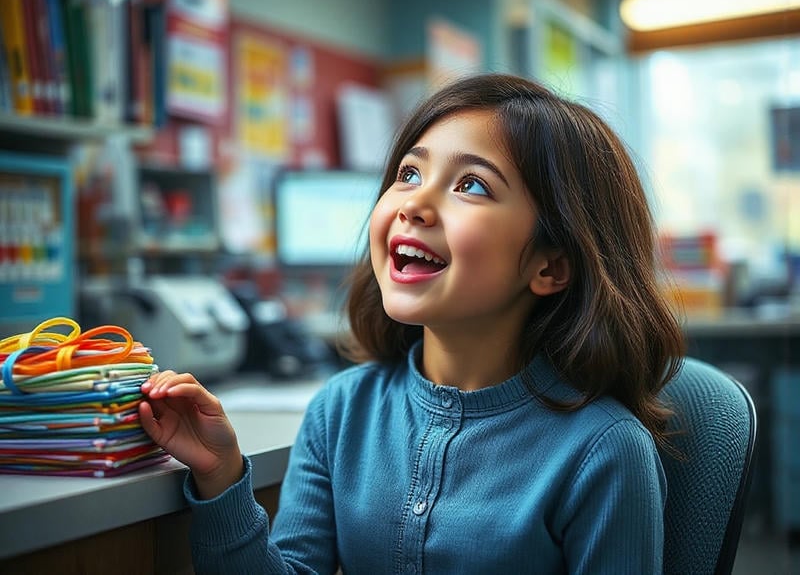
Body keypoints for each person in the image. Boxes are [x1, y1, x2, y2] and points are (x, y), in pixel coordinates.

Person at [140, 73, 685, 574]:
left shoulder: (606, 452)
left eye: (472, 185)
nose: (415, 204)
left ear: (552, 265)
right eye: (410, 173)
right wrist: (221, 476)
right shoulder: (341, 411)